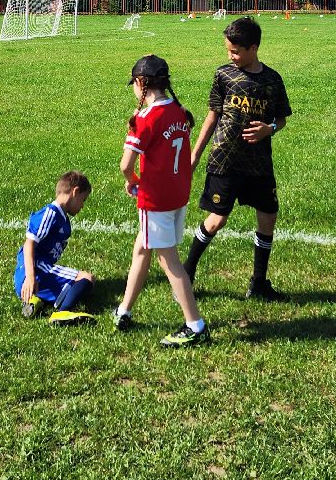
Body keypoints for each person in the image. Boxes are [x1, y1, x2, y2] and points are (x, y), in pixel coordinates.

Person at [184, 17, 292, 301]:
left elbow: (281, 119)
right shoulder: (224, 75)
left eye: (236, 51)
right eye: (228, 50)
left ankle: (258, 283)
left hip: (258, 163)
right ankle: (186, 274)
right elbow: (211, 116)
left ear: (253, 48)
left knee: (268, 216)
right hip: (225, 159)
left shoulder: (272, 80)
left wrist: (270, 129)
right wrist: (195, 154)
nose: (230, 56)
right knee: (217, 219)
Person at [113, 55, 210, 348]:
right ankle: (124, 310)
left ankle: (195, 325)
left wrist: (132, 182)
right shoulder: (180, 111)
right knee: (142, 248)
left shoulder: (145, 119)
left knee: (169, 261)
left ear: (141, 84)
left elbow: (125, 165)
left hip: (156, 199)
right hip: (177, 193)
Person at [15, 171, 95, 326]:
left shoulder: (62, 218)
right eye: (83, 200)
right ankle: (63, 312)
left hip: (35, 278)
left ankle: (36, 301)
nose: (82, 206)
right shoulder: (51, 213)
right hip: (34, 272)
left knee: (82, 289)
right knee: (87, 279)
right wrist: (30, 277)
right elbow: (29, 244)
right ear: (75, 191)